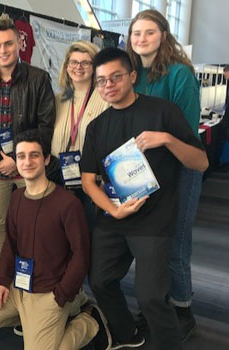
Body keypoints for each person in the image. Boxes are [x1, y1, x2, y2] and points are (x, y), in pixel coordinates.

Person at [81, 47, 208, 350]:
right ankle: (127, 334)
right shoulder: (97, 126)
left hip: (153, 220)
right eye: (101, 81)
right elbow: (88, 181)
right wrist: (114, 210)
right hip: (115, 218)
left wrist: (167, 139)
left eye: (116, 77)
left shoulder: (163, 113)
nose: (108, 85)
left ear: (132, 76)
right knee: (99, 282)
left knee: (151, 297)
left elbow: (200, 163)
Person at [0, 129, 109, 350]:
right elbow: (10, 244)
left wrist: (61, 296)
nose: (27, 161)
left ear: (46, 159)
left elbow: (81, 254)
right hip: (19, 287)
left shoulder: (67, 204)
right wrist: (1, 280)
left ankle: (89, 320)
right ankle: (43, 322)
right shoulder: (16, 199)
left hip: (50, 293)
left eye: (34, 155)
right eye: (21, 156)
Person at [126, 9, 203, 340]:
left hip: (180, 169)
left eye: (149, 32)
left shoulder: (179, 74)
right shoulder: (130, 74)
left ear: (164, 36)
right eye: (136, 33)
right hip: (143, 172)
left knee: (175, 243)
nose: (141, 39)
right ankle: (152, 307)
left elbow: (188, 133)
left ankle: (183, 310)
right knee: (148, 245)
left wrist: (163, 138)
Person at [0, 14, 55, 298]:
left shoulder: (39, 79)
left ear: (19, 43)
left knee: (34, 227)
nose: (3, 50)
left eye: (8, 43)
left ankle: (33, 284)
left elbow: (45, 126)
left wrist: (17, 160)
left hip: (29, 170)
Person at [51, 41, 109, 228]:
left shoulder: (106, 98)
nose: (78, 67)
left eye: (86, 62)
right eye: (74, 62)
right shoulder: (57, 99)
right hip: (59, 178)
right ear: (66, 66)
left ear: (95, 68)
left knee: (86, 238)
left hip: (91, 181)